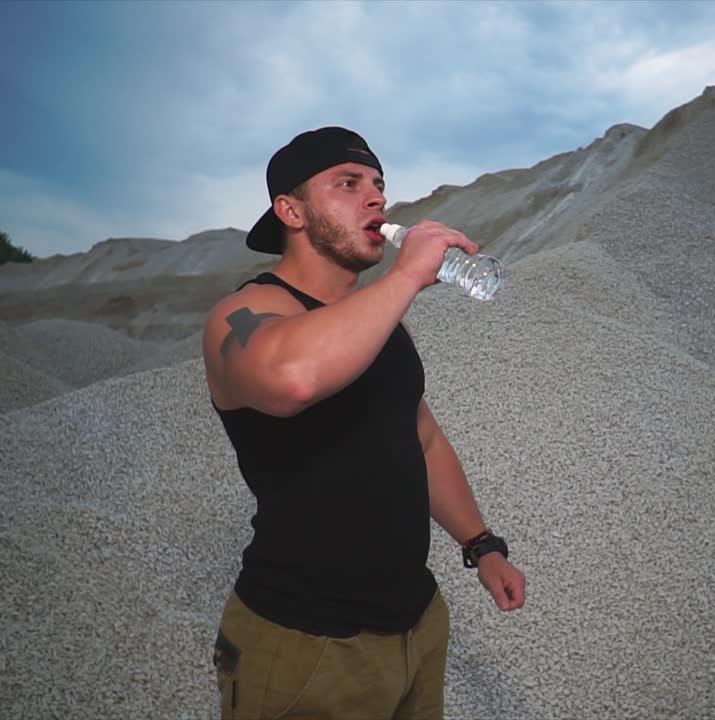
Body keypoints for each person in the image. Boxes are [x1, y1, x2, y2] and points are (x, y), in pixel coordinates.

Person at [201, 126, 526, 720]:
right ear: (290, 211)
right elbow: (294, 377)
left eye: (378, 185)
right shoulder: (241, 313)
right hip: (305, 643)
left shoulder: (381, 325)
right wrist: (405, 279)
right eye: (347, 184)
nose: (375, 198)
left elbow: (420, 436)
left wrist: (481, 546)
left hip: (417, 627)